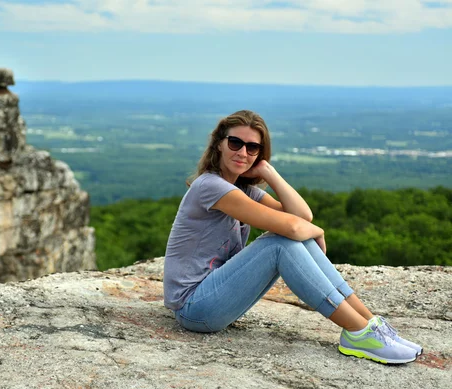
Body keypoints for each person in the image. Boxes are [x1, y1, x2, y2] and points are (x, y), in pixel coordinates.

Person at [163, 110, 422, 364]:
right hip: (194, 307)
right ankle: (357, 333)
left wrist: (269, 172)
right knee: (279, 243)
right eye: (235, 143)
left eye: (253, 148)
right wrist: (318, 231)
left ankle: (369, 325)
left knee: (292, 237)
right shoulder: (211, 186)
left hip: (214, 299)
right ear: (219, 144)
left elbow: (302, 215)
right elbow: (296, 228)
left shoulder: (242, 190)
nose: (243, 152)